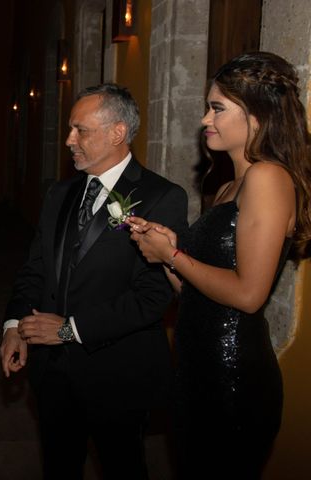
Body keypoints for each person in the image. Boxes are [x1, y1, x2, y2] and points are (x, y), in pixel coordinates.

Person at [128, 51, 311, 478]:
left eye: (217, 108)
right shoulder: (230, 185)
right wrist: (167, 253)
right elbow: (198, 292)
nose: (205, 120)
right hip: (195, 370)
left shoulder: (268, 177)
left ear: (258, 116)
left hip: (232, 377)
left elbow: (248, 296)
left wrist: (174, 256)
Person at [0, 84, 188, 479]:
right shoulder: (60, 192)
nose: (69, 141)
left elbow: (153, 297)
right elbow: (35, 267)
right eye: (70, 129)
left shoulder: (161, 196)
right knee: (58, 465)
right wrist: (15, 325)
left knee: (123, 466)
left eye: (80, 130)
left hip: (117, 373)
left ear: (117, 133)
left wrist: (69, 330)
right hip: (52, 373)